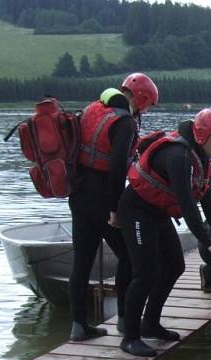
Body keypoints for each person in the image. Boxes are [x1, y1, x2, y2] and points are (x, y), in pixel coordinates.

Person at [117, 108, 211, 357]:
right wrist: (208, 243)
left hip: (158, 213)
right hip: (136, 210)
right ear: (204, 135)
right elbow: (187, 203)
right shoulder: (178, 155)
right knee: (145, 273)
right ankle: (130, 337)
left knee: (174, 266)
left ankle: (150, 322)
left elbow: (206, 199)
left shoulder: (201, 157)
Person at [67, 72, 158, 341]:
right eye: (149, 104)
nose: (147, 109)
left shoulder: (94, 109)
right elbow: (117, 167)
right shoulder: (125, 122)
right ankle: (123, 319)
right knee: (129, 256)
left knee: (81, 262)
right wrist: (116, 210)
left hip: (79, 193)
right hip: (103, 198)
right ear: (141, 97)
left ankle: (78, 325)